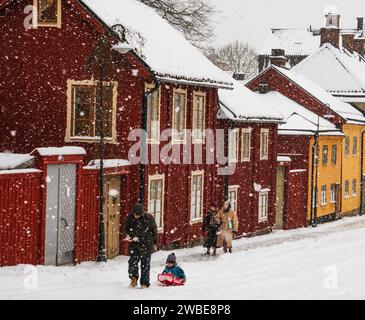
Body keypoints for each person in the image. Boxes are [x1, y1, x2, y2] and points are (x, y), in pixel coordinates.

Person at [124, 203, 157, 289]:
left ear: (142, 213)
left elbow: (154, 231)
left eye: (138, 215)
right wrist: (129, 236)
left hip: (146, 244)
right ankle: (133, 278)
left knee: (145, 264)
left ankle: (144, 283)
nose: (136, 216)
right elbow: (126, 229)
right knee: (132, 262)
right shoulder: (130, 218)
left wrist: (153, 242)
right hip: (134, 244)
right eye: (135, 214)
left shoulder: (149, 218)